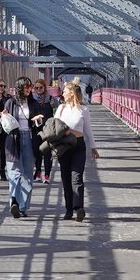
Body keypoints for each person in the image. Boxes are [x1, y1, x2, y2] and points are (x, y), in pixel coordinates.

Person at [54, 78, 101, 222]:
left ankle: (78, 208)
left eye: (65, 91)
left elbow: (88, 130)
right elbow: (54, 127)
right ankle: (68, 209)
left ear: (72, 93)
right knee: (66, 178)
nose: (62, 93)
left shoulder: (84, 110)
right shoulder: (61, 109)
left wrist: (93, 147)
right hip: (64, 146)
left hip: (79, 146)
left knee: (77, 177)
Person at [3, 76, 38, 218]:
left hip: (29, 138)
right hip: (13, 139)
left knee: (28, 173)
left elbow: (38, 122)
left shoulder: (33, 103)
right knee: (14, 171)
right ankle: (14, 202)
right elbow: (4, 124)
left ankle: (23, 206)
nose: (29, 89)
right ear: (20, 88)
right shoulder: (10, 103)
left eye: (30, 87)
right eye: (26, 87)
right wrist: (4, 117)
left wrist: (37, 120)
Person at [30, 78, 58, 183]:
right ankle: (37, 172)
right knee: (36, 152)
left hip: (48, 130)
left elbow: (58, 112)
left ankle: (46, 175)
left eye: (40, 87)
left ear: (44, 88)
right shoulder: (31, 99)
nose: (38, 89)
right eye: (36, 88)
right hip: (36, 129)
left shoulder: (51, 99)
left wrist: (53, 108)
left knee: (47, 153)